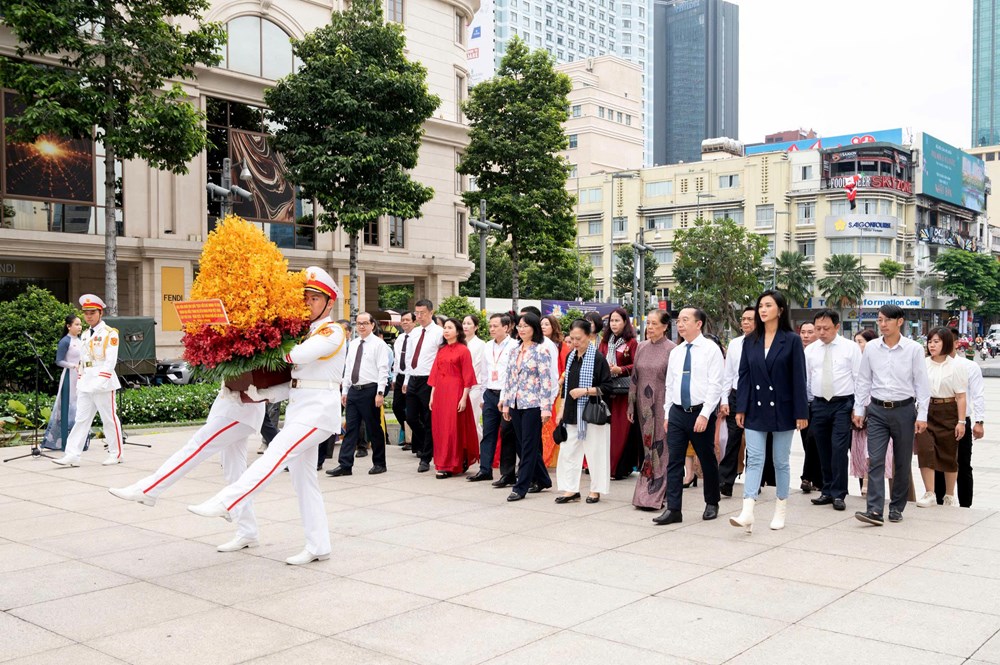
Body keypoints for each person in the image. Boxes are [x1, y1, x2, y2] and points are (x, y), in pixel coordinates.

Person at [187, 266, 346, 565]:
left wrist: (263, 345)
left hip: (319, 413)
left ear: (329, 302)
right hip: (302, 410)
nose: (307, 303)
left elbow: (295, 357)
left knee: (276, 452)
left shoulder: (332, 331)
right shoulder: (305, 334)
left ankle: (228, 500)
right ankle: (318, 545)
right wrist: (262, 394)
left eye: (314, 298)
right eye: (304, 298)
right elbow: (294, 382)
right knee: (304, 481)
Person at [108, 382, 283, 552]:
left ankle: (148, 489)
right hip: (233, 407)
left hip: (240, 411)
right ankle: (248, 531)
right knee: (234, 473)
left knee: (196, 447)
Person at [730, 290, 809, 533]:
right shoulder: (750, 340)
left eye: (768, 305)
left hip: (784, 409)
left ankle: (780, 509)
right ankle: (748, 510)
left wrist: (801, 412)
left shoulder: (792, 340)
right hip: (755, 408)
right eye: (760, 306)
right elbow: (744, 376)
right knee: (754, 459)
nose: (762, 310)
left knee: (780, 462)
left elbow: (799, 378)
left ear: (780, 310)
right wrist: (741, 407)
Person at [854, 304, 931, 526]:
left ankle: (897, 507)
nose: (883, 324)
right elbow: (863, 380)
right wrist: (859, 409)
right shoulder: (871, 348)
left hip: (905, 410)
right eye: (880, 320)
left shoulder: (913, 349)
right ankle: (875, 510)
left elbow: (921, 384)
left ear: (900, 322)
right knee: (875, 459)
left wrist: (922, 415)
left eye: (887, 320)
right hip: (877, 410)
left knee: (902, 462)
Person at [653, 306, 724, 525]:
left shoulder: (711, 350)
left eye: (685, 320)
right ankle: (674, 509)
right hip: (676, 413)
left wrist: (705, 414)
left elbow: (716, 385)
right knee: (674, 461)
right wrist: (667, 414)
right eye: (679, 320)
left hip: (700, 412)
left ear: (698, 323)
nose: (680, 324)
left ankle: (712, 502)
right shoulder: (676, 351)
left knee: (707, 458)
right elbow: (670, 384)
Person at [53, 295, 124, 467]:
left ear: (100, 313)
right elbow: (83, 361)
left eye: (92, 312)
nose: (88, 316)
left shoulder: (110, 333)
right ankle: (72, 454)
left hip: (102, 382)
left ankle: (116, 453)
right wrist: (80, 381)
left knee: (109, 419)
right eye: (86, 313)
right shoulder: (85, 334)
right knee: (81, 419)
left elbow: (110, 361)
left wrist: (101, 381)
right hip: (86, 382)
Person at [804, 309, 862, 512]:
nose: (821, 332)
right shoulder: (810, 350)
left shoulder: (850, 348)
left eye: (826, 328)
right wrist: (808, 406)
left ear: (837, 327)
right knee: (822, 449)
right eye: (818, 328)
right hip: (819, 404)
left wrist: (858, 408)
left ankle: (839, 493)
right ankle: (826, 490)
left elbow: (859, 379)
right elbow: (808, 380)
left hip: (842, 404)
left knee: (838, 449)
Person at [554, 318, 613, 504]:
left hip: (591, 413)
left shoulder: (598, 358)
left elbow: (607, 387)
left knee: (595, 453)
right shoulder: (570, 357)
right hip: (571, 413)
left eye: (579, 338)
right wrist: (561, 409)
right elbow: (566, 387)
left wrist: (586, 391)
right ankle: (570, 489)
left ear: (589, 336)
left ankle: (595, 490)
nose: (575, 342)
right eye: (571, 338)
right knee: (568, 452)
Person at [326, 312, 390, 477]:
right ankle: (345, 465)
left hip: (371, 390)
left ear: (372, 325)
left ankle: (379, 463)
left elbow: (384, 369)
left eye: (365, 323)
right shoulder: (353, 344)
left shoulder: (379, 344)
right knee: (351, 429)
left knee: (374, 428)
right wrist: (345, 390)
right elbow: (348, 368)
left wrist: (380, 392)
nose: (361, 326)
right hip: (354, 391)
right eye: (359, 323)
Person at [500, 312, 554, 501]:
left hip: (533, 404)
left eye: (526, 326)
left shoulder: (541, 351)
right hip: (515, 403)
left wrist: (546, 408)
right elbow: (509, 379)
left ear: (534, 329)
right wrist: (506, 404)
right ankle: (544, 479)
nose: (521, 329)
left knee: (529, 446)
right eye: (520, 326)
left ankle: (520, 486)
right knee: (523, 446)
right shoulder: (514, 350)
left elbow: (546, 381)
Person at [914, 328, 966, 508]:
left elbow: (961, 396)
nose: (932, 345)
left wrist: (961, 422)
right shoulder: (923, 363)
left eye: (936, 341)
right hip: (926, 410)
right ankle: (930, 492)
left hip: (948, 410)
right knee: (925, 450)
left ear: (946, 342)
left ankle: (949, 496)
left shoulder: (956, 365)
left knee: (949, 453)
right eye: (930, 341)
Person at [629, 309, 676, 510]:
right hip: (643, 406)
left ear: (665, 327)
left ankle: (658, 492)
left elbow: (674, 381)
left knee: (661, 447)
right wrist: (631, 404)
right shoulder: (641, 347)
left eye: (654, 324)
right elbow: (634, 378)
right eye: (648, 323)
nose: (650, 328)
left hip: (662, 403)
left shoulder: (673, 349)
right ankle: (646, 490)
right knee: (647, 446)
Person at [934, 326, 985, 507]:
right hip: (939, 419)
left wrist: (979, 422)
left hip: (962, 419)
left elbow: (977, 395)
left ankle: (965, 505)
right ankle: (940, 501)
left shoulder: (969, 366)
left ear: (955, 343)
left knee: (963, 463)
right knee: (939, 462)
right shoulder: (932, 364)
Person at [468, 313, 517, 484]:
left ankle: (507, 473)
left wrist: (506, 398)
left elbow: (512, 375)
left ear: (506, 327)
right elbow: (484, 372)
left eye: (495, 326)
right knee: (489, 433)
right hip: (490, 393)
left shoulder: (514, 346)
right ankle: (485, 469)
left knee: (507, 434)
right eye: (490, 326)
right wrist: (483, 395)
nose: (492, 329)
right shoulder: (487, 346)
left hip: (507, 395)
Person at [429, 318, 481, 478]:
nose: (446, 330)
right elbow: (435, 374)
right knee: (440, 429)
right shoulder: (441, 350)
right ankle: (442, 462)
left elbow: (468, 376)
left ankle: (453, 463)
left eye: (450, 328)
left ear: (457, 332)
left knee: (453, 429)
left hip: (456, 392)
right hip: (440, 393)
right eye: (445, 328)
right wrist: (432, 395)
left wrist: (464, 398)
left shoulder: (463, 350)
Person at [718, 307, 755, 497]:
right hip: (736, 394)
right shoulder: (735, 344)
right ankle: (725, 481)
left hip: (757, 396)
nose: (746, 322)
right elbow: (728, 374)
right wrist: (724, 399)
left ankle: (754, 480)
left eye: (750, 319)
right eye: (743, 319)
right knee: (733, 438)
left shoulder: (765, 342)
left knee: (756, 441)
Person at [599, 308, 639, 479]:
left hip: (624, 392)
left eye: (617, 320)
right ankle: (606, 467)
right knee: (607, 430)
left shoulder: (631, 343)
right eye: (612, 321)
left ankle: (619, 468)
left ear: (625, 322)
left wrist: (620, 369)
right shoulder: (605, 342)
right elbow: (598, 359)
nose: (614, 324)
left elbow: (636, 365)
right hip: (607, 390)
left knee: (621, 430)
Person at [406, 299, 444, 473]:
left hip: (429, 380)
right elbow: (409, 358)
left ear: (431, 312)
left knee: (429, 419)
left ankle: (425, 457)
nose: (419, 316)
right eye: (417, 313)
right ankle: (428, 445)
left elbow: (441, 359)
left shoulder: (439, 332)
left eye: (422, 313)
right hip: (413, 378)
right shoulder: (414, 333)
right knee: (411, 417)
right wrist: (406, 380)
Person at [41, 315, 83, 451]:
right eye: (76, 324)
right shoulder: (65, 341)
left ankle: (80, 442)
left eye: (80, 324)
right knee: (67, 407)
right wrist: (73, 366)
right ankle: (63, 441)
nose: (79, 327)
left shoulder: (82, 340)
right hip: (69, 376)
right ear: (68, 326)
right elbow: (59, 361)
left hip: (82, 376)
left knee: (80, 407)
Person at [850, 329, 881, 494]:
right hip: (860, 412)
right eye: (856, 341)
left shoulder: (878, 360)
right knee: (861, 450)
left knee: (874, 451)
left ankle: (873, 487)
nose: (857, 345)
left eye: (860, 341)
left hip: (878, 410)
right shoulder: (855, 361)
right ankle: (865, 486)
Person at [540, 314, 571, 467]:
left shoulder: (560, 345)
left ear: (553, 326)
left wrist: (559, 381)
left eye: (546, 324)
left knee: (553, 423)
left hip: (556, 389)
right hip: (540, 389)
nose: (543, 327)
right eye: (541, 324)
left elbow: (566, 367)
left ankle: (552, 457)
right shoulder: (537, 344)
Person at [797, 321, 823, 493]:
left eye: (810, 332)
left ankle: (808, 477)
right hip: (802, 405)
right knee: (808, 443)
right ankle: (816, 480)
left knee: (813, 440)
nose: (806, 335)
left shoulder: (821, 351)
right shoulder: (797, 352)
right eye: (803, 332)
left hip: (819, 403)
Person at [392, 312, 415, 449]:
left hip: (411, 376)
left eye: (407, 320)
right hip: (399, 375)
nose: (405, 322)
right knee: (396, 407)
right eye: (403, 320)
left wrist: (407, 381)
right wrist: (395, 377)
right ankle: (408, 433)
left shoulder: (416, 338)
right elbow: (396, 359)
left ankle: (412, 439)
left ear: (414, 322)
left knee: (412, 410)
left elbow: (411, 360)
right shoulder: (400, 338)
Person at [463, 314, 488, 441]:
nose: (465, 326)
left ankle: (479, 447)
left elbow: (480, 366)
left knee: (473, 419)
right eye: (464, 323)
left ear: (476, 327)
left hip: (475, 385)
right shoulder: (460, 343)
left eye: (469, 323)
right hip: (460, 386)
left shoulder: (481, 344)